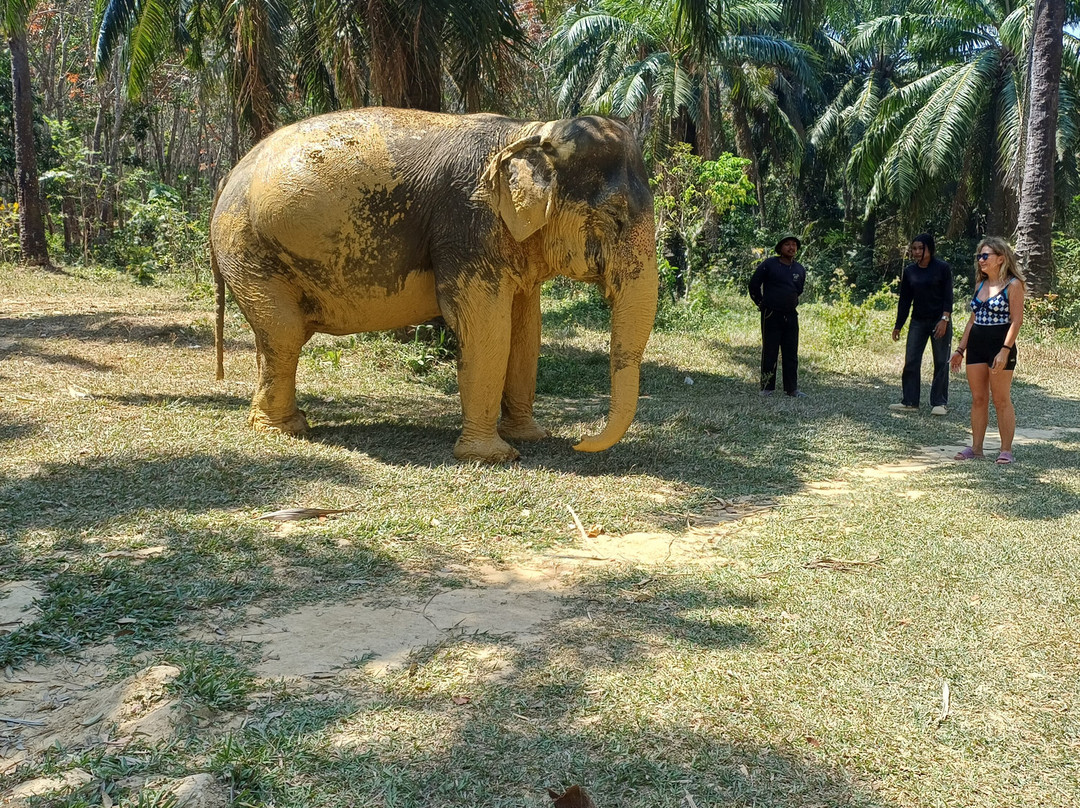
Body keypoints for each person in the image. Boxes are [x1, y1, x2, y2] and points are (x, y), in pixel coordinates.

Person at [950, 237, 1025, 464]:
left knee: (1001, 399)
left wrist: (1005, 350)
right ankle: (976, 448)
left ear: (1001, 258)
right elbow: (972, 321)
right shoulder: (980, 284)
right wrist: (960, 349)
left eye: (986, 256)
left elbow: (1016, 320)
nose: (981, 260)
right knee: (978, 399)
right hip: (977, 345)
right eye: (979, 256)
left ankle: (1006, 450)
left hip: (1000, 344)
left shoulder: (1013, 284)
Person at [889, 233, 954, 415]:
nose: (917, 252)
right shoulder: (910, 271)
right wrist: (898, 325)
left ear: (929, 249)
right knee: (911, 360)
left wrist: (945, 319)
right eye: (914, 248)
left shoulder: (942, 268)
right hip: (918, 321)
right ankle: (910, 401)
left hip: (939, 320)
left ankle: (939, 403)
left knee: (941, 361)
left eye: (920, 248)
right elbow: (904, 301)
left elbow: (948, 296)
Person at [748, 233, 807, 397]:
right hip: (771, 315)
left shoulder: (799, 269)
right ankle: (767, 387)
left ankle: (791, 389)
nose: (791, 247)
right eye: (787, 244)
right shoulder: (769, 265)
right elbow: (753, 285)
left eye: (794, 244)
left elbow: (798, 290)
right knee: (770, 351)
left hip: (791, 315)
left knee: (791, 352)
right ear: (780, 248)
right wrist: (761, 303)